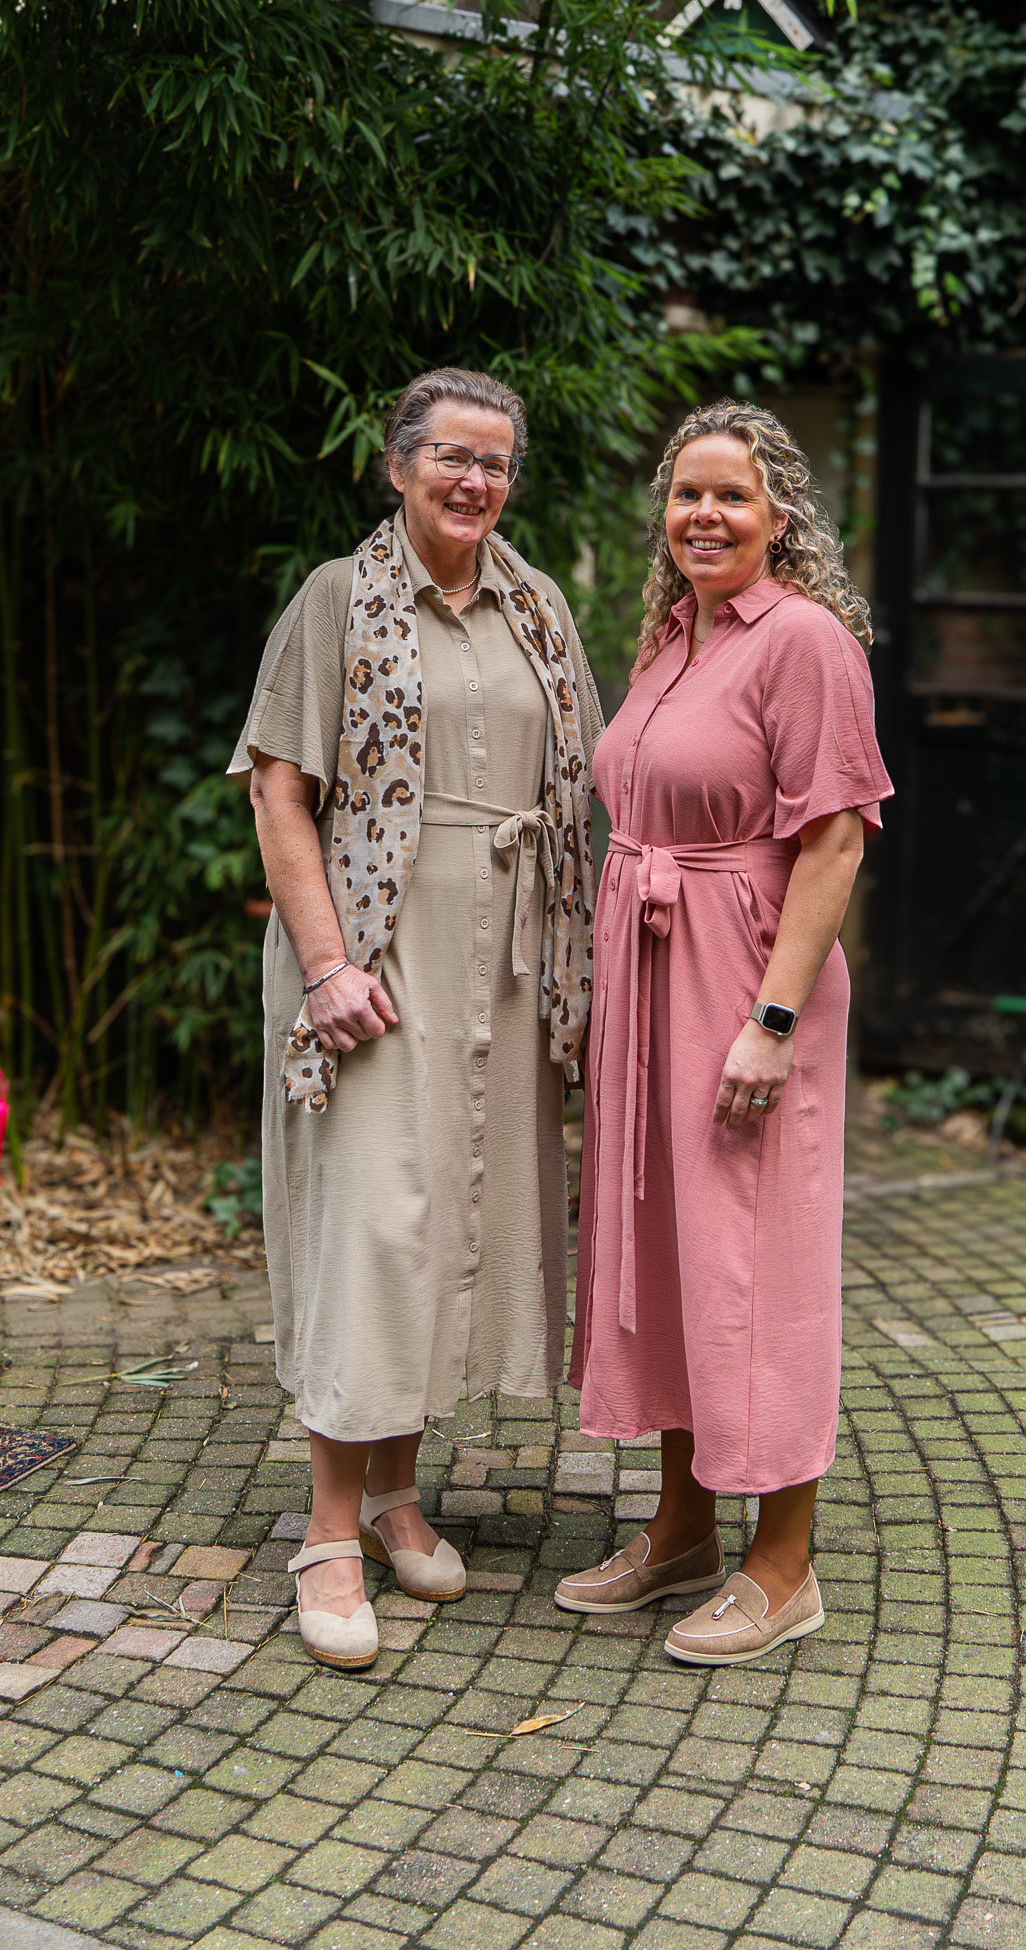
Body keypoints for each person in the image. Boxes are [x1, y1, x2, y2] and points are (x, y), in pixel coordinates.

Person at [230, 368, 600, 1669]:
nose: (474, 480)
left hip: (503, 955)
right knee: (375, 1225)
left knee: (451, 1222)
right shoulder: (337, 598)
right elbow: (278, 792)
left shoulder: (539, 606)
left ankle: (396, 1494)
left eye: (496, 462)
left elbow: (586, 785)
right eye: (451, 455)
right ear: (396, 466)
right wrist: (327, 964)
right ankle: (328, 1533)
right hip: (375, 956)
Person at [557, 400, 891, 1664]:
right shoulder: (671, 636)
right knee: (668, 1247)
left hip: (745, 974)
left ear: (779, 515)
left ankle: (783, 1562)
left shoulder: (805, 640)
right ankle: (684, 1527)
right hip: (650, 977)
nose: (704, 514)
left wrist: (772, 1018)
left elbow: (835, 840)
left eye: (731, 495)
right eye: (686, 493)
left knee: (757, 1256)